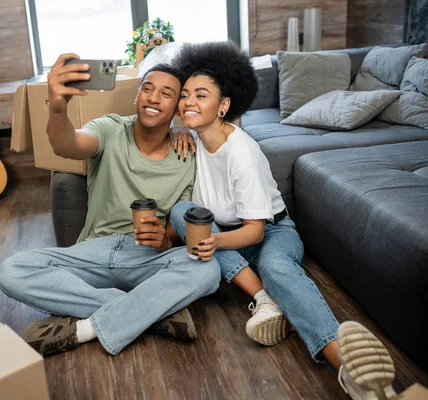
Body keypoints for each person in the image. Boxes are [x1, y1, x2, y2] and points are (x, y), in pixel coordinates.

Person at [170, 41, 397, 399]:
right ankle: (266, 300)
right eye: (184, 95)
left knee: (277, 268)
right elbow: (158, 120)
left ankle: (352, 373)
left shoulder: (241, 151)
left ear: (224, 105)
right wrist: (177, 127)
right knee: (182, 212)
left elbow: (255, 230)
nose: (188, 103)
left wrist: (211, 243)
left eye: (201, 95)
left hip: (271, 232)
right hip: (229, 238)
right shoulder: (192, 139)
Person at [0, 53, 221, 357]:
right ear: (136, 98)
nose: (153, 97)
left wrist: (165, 238)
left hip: (144, 257)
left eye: (166, 93)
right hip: (93, 251)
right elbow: (67, 145)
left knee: (208, 269)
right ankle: (153, 312)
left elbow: (176, 229)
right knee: (12, 270)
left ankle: (83, 328)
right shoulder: (109, 128)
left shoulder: (186, 155)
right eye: (147, 88)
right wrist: (59, 107)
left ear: (178, 109)